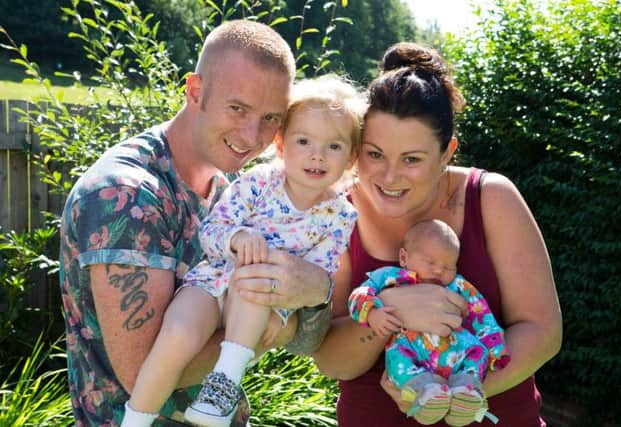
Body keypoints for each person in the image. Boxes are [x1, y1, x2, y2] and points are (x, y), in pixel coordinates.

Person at [59, 20, 336, 427]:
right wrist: (278, 324)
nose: (251, 135)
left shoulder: (233, 190)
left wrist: (318, 290)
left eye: (270, 118)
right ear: (195, 91)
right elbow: (142, 375)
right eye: (237, 108)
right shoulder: (127, 196)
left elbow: (312, 341)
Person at [308, 42, 562, 426]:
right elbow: (329, 359)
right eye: (375, 154)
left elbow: (542, 331)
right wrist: (392, 310)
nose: (389, 177)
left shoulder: (490, 197)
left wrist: (453, 393)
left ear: (447, 153)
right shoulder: (336, 214)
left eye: (411, 159)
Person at [122, 75, 363, 427]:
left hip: (261, 299)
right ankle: (135, 420)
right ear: (281, 145)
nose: (317, 154)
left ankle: (221, 392)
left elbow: (315, 277)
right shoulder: (258, 183)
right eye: (304, 141)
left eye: (334, 146)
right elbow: (212, 231)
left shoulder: (340, 216)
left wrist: (282, 313)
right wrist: (237, 236)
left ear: (352, 158)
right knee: (178, 335)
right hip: (212, 283)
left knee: (256, 279)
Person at [348, 219, 510, 426]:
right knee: (398, 361)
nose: (439, 271)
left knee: (478, 352)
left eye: (448, 266)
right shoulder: (391, 277)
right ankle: (424, 392)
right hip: (410, 348)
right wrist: (371, 313)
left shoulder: (458, 285)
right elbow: (359, 294)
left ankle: (466, 390)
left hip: (457, 349)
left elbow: (481, 313)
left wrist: (495, 348)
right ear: (404, 257)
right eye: (431, 262)